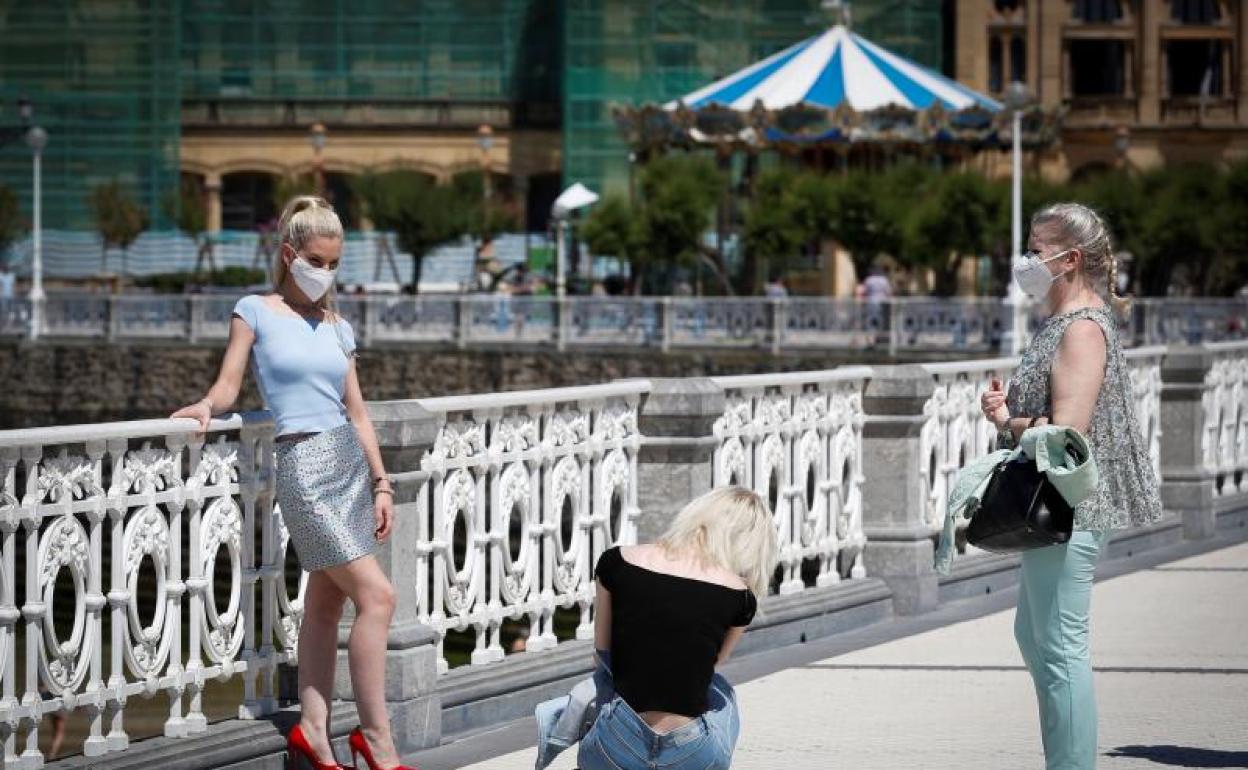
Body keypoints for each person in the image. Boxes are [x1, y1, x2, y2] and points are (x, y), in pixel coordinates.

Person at [171, 196, 414, 770]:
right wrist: (207, 406)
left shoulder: (337, 326)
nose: (326, 272)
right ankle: (377, 741)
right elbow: (230, 385)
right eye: (317, 260)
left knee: (326, 604)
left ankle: (311, 728)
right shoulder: (253, 309)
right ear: (288, 254)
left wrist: (382, 483)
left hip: (349, 465)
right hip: (302, 467)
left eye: (334, 263)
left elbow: (357, 411)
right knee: (379, 596)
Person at [980, 202, 1161, 770]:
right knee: (1037, 640)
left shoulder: (1082, 328)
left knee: (1058, 651)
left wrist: (1008, 423)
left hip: (1069, 509)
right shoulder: (1063, 322)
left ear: (1070, 258)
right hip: (1060, 509)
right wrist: (1007, 409)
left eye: (1037, 249)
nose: (1026, 260)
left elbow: (1067, 433)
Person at [577, 486, 778, 770]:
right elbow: (713, 662)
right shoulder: (740, 596)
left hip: (617, 742)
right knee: (722, 691)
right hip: (693, 752)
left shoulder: (616, 562)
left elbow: (602, 652)